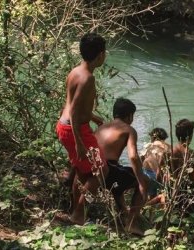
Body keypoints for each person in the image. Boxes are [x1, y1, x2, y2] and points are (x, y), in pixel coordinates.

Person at [56, 33, 107, 225]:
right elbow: (75, 110)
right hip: (75, 130)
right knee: (101, 170)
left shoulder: (75, 71)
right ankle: (79, 213)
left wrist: (92, 116)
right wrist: (79, 142)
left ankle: (74, 211)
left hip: (65, 126)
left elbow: (70, 103)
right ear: (100, 55)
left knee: (84, 171)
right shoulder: (88, 78)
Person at [95, 97, 148, 236]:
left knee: (120, 173)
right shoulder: (128, 129)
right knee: (143, 180)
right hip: (108, 170)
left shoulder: (102, 127)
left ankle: (122, 211)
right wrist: (141, 181)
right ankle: (131, 223)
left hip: (94, 170)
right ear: (129, 115)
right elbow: (133, 157)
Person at [171, 119, 194, 215]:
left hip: (172, 190)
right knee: (191, 218)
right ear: (190, 136)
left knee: (174, 215)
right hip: (189, 191)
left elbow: (160, 174)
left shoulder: (169, 152)